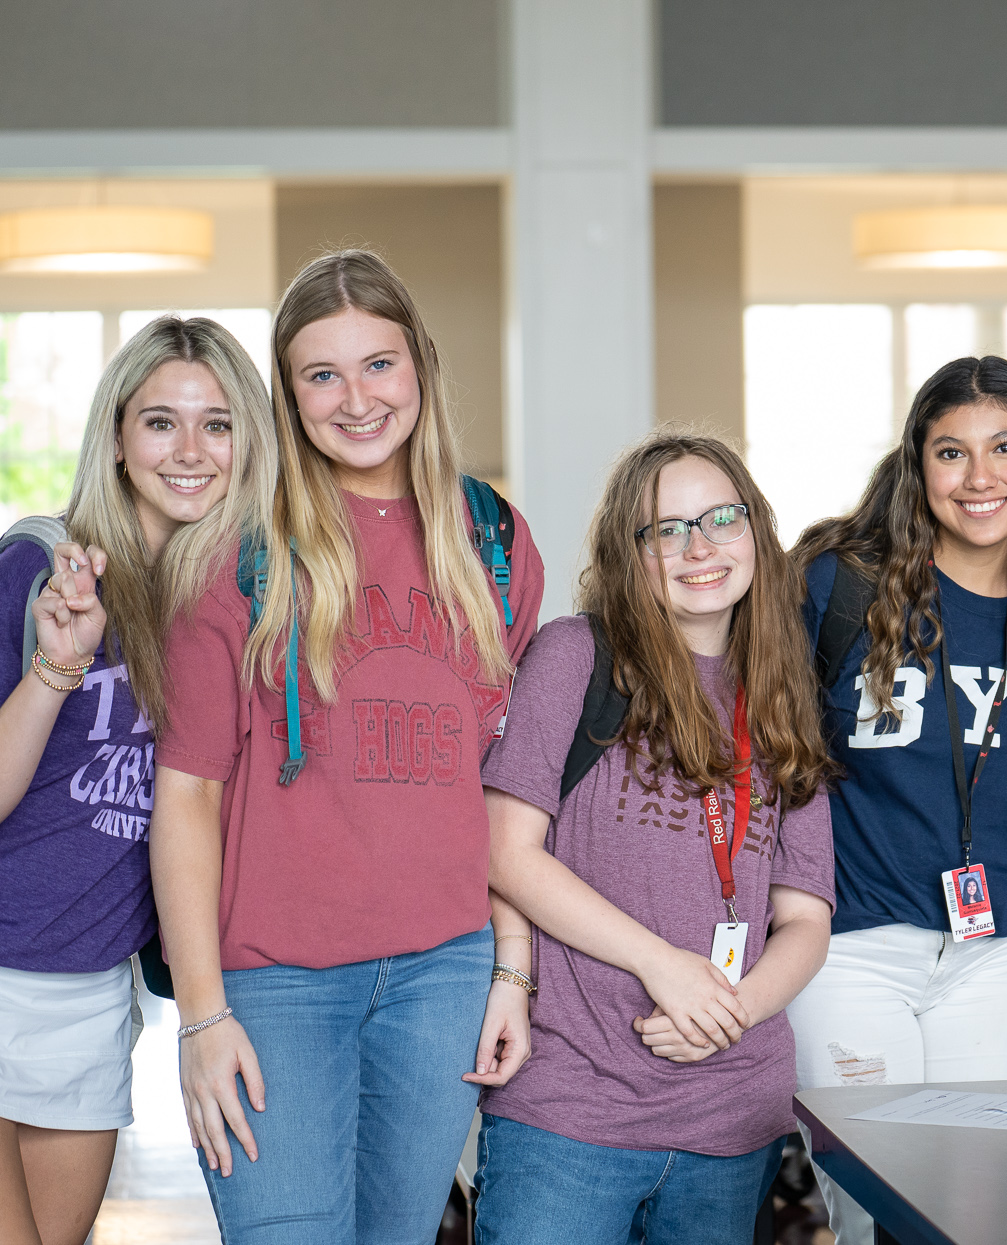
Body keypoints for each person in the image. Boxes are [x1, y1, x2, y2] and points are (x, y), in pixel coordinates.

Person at [151, 252, 544, 1243]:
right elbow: (187, 796)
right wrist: (201, 1017)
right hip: (274, 986)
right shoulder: (237, 551)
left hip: (443, 976)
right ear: (287, 396)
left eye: (379, 363)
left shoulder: (491, 540)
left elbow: (506, 796)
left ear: (421, 368)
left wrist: (511, 969)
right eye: (321, 374)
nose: (356, 399)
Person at [474, 429, 834, 1244]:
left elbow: (807, 918)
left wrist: (729, 1010)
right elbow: (506, 851)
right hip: (571, 1102)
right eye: (665, 529)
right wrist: (663, 965)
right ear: (628, 553)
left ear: (756, 531)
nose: (697, 546)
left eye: (719, 518)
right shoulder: (577, 655)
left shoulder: (781, 689)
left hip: (734, 1113)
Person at [787, 356, 1007, 1245]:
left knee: (979, 1215)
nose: (980, 477)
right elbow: (767, 752)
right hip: (854, 945)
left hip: (997, 953)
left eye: (1006, 447)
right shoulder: (835, 583)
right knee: (878, 1212)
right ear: (916, 466)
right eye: (951, 452)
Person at [0, 318, 273, 1245]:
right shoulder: (39, 569)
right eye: (161, 422)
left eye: (218, 423)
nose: (190, 451)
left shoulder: (233, 605)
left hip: (90, 991)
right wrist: (55, 665)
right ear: (117, 437)